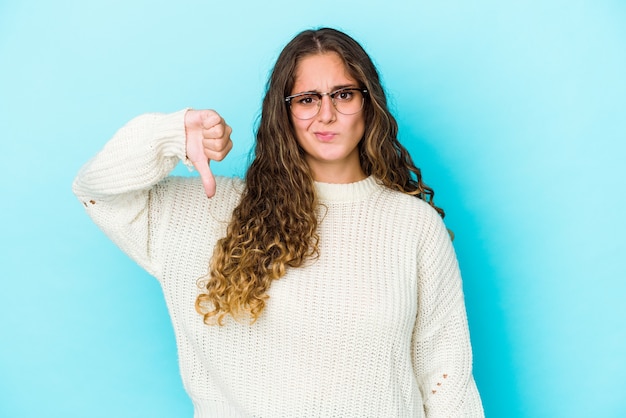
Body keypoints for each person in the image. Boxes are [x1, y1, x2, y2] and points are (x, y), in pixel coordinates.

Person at [73, 27, 483, 417]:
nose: (326, 114)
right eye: (307, 99)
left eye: (342, 94)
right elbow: (97, 189)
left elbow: (447, 383)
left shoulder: (412, 225)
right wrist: (171, 135)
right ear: (282, 113)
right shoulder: (215, 211)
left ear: (367, 102)